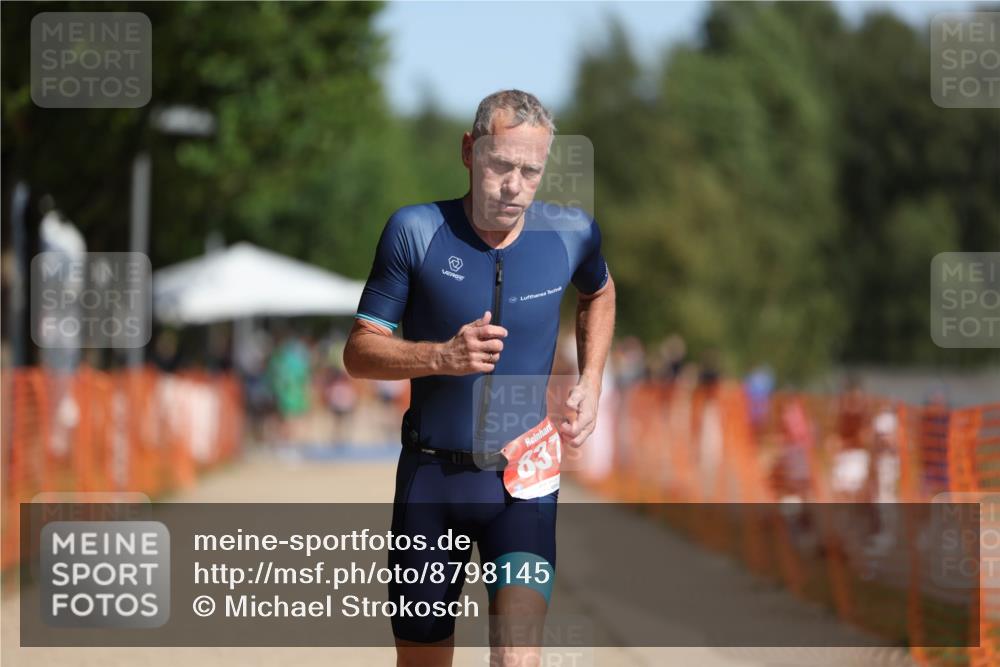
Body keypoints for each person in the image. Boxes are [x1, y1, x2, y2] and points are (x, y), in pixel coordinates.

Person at [343, 90, 616, 667]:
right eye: (500, 165)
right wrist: (441, 356)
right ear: (469, 152)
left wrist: (591, 378)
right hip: (432, 480)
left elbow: (600, 290)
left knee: (518, 659)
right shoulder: (415, 230)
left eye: (530, 170)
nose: (514, 184)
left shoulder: (571, 234)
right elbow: (360, 352)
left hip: (525, 479)